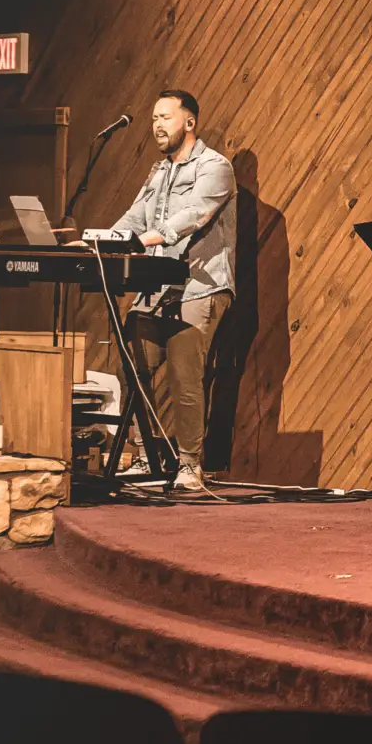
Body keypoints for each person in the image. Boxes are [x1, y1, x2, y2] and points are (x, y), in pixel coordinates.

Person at [114, 90, 236, 491]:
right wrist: (104, 239)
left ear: (189, 122)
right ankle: (147, 453)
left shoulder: (215, 167)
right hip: (156, 288)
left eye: (165, 117)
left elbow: (195, 213)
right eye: (153, 119)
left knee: (186, 378)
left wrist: (150, 238)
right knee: (132, 363)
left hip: (200, 287)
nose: (157, 126)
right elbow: (133, 216)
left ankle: (189, 465)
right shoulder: (158, 171)